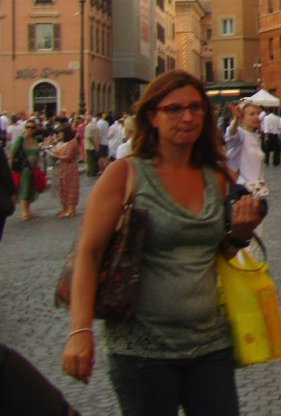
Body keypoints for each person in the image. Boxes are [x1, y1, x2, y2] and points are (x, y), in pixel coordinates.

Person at [61, 70, 264, 415]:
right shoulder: (124, 175)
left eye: (196, 108)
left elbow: (215, 251)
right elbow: (89, 253)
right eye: (174, 109)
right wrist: (80, 331)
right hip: (141, 350)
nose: (187, 117)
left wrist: (240, 235)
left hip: (209, 345)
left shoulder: (216, 176)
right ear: (151, 117)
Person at [224, 102, 266, 199]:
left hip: (256, 188)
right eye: (252, 114)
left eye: (258, 114)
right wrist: (236, 119)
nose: (256, 117)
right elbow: (231, 135)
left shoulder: (255, 136)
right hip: (242, 188)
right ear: (243, 118)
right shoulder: (241, 134)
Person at [10, 121, 43, 221]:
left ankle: (28, 211)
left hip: (33, 168)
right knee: (24, 189)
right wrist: (11, 168)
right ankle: (24, 213)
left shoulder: (35, 140)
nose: (30, 129)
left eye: (32, 128)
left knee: (30, 189)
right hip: (24, 168)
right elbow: (12, 153)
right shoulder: (20, 139)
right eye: (28, 127)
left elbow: (37, 152)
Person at [49, 124, 80, 218]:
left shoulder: (72, 142)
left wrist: (56, 156)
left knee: (70, 188)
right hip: (63, 168)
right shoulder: (64, 142)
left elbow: (69, 157)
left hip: (70, 168)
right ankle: (65, 208)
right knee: (63, 188)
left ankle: (71, 210)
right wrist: (51, 148)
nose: (59, 135)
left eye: (60, 133)